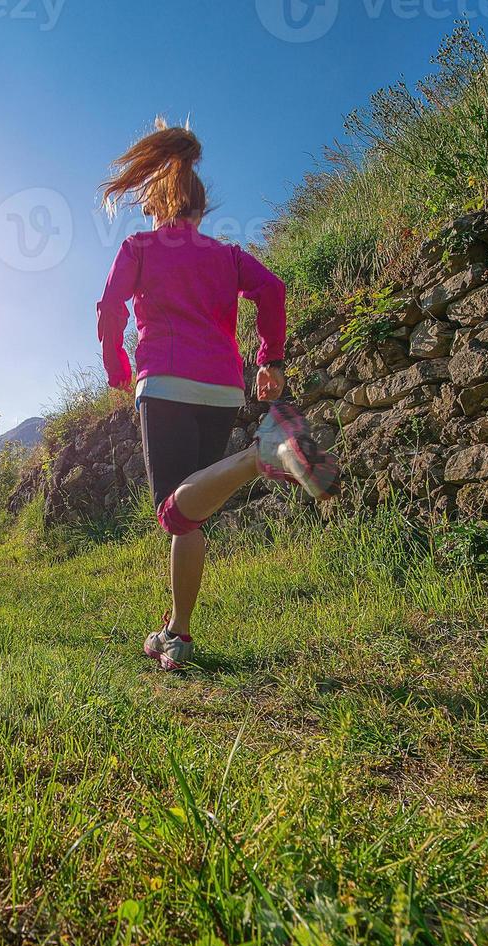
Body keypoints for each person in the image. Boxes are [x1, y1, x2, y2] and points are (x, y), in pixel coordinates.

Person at [96, 119, 343, 672]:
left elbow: (110, 307)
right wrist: (269, 359)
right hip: (223, 387)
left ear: (158, 206)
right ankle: (177, 634)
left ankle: (264, 455)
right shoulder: (226, 256)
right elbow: (273, 289)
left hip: (163, 383)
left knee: (172, 512)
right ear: (200, 211)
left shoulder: (139, 246)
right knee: (192, 513)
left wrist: (116, 364)